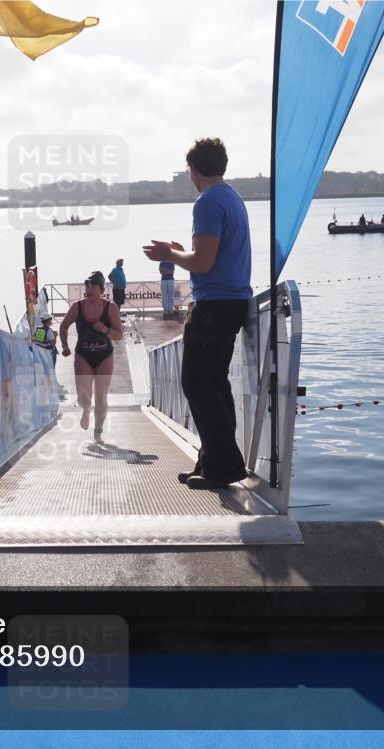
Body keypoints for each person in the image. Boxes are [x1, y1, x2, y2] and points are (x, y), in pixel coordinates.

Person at [142, 136, 252, 490]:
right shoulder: (232, 197)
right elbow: (211, 256)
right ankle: (213, 461)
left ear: (193, 169)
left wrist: (168, 256)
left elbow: (203, 263)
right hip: (233, 301)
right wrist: (180, 251)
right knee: (214, 385)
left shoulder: (207, 203)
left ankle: (222, 467)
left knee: (197, 384)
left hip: (214, 305)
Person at [59, 271, 124, 443]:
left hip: (104, 355)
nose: (88, 289)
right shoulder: (77, 307)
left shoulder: (111, 307)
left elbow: (119, 335)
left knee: (101, 396)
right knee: (84, 395)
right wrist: (64, 345)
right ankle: (86, 409)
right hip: (83, 355)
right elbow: (64, 326)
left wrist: (105, 330)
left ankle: (98, 432)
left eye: (93, 286)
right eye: (87, 285)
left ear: (101, 290)